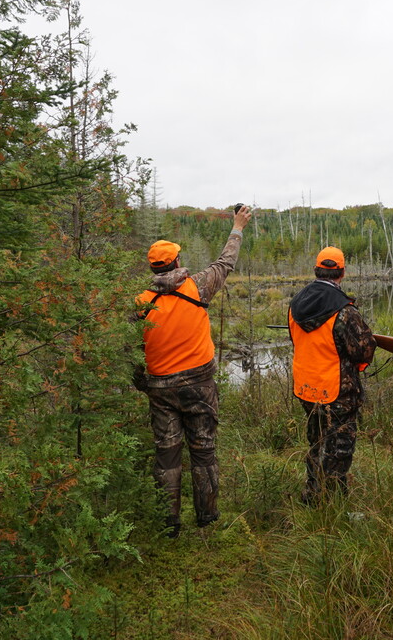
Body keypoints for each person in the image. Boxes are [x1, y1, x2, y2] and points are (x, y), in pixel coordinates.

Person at [135, 205, 252, 536]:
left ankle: (169, 524)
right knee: (203, 452)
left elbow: (129, 346)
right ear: (175, 262)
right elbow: (225, 262)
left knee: (167, 457)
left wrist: (141, 381)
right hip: (199, 386)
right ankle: (207, 517)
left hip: (159, 389)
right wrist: (237, 226)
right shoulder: (197, 286)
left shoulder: (140, 303)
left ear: (154, 267)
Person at [287, 246, 376, 505]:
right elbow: (363, 351)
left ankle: (312, 493)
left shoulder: (295, 304)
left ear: (317, 270)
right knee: (339, 448)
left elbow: (297, 340)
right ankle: (332, 503)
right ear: (342, 273)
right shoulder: (345, 310)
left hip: (306, 387)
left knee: (317, 441)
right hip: (337, 391)